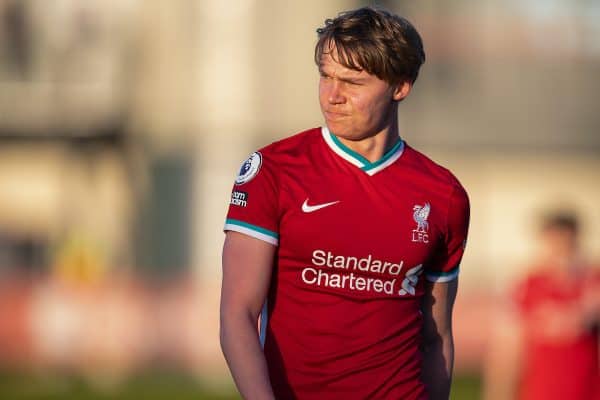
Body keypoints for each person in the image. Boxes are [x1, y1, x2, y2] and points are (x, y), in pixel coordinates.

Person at [220, 6, 470, 400]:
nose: (332, 96)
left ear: (400, 86)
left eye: (352, 82)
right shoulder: (274, 170)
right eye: (325, 76)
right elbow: (238, 314)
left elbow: (435, 336)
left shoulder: (444, 195)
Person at [484, 211, 600, 400]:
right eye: (555, 244)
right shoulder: (526, 287)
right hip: (541, 393)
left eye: (567, 244)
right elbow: (506, 353)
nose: (561, 252)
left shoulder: (593, 283)